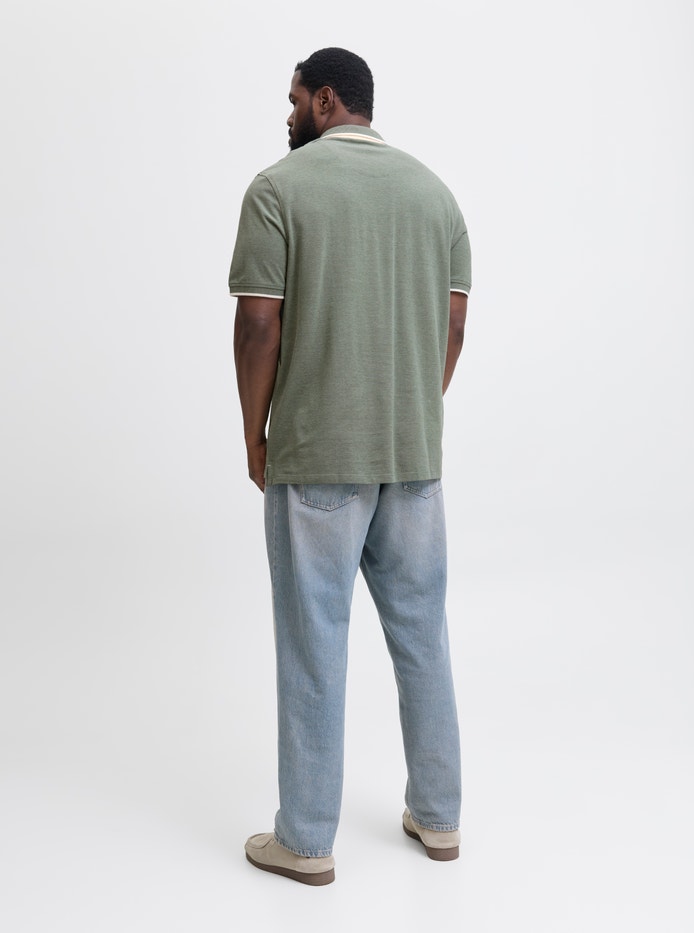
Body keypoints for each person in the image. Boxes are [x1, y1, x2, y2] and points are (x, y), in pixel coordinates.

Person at [228, 47, 471, 886]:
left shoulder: (277, 189)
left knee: (312, 643)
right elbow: (454, 327)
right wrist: (412, 410)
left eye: (295, 98)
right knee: (423, 634)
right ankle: (439, 818)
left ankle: (305, 840)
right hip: (413, 457)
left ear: (327, 100)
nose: (288, 112)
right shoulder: (435, 195)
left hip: (316, 455)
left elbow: (258, 325)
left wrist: (255, 433)